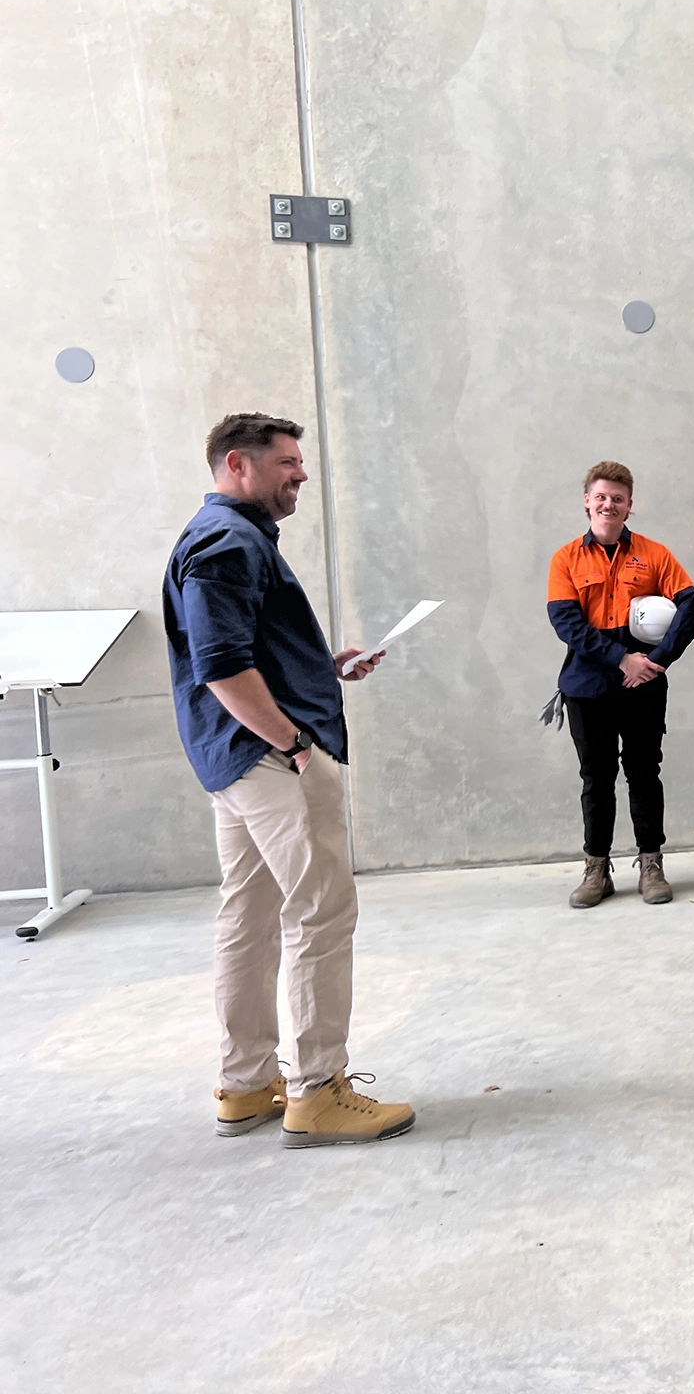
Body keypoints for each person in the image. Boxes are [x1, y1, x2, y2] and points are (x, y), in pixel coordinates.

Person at [162, 412, 414, 1147]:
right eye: (286, 463)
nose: (301, 473)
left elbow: (244, 652)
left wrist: (321, 670)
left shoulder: (228, 537)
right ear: (237, 465)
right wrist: (295, 742)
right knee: (320, 911)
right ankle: (317, 1091)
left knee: (249, 916)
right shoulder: (227, 542)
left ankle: (245, 1083)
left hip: (236, 760)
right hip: (269, 761)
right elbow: (220, 667)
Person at [545, 460, 694, 908]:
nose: (608, 505)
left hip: (643, 685)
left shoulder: (655, 555)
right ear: (587, 501)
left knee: (644, 773)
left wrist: (655, 660)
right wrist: (622, 658)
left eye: (618, 498)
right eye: (601, 497)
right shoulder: (566, 559)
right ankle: (597, 868)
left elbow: (691, 608)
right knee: (596, 778)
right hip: (587, 685)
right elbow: (566, 623)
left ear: (629, 505)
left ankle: (651, 865)